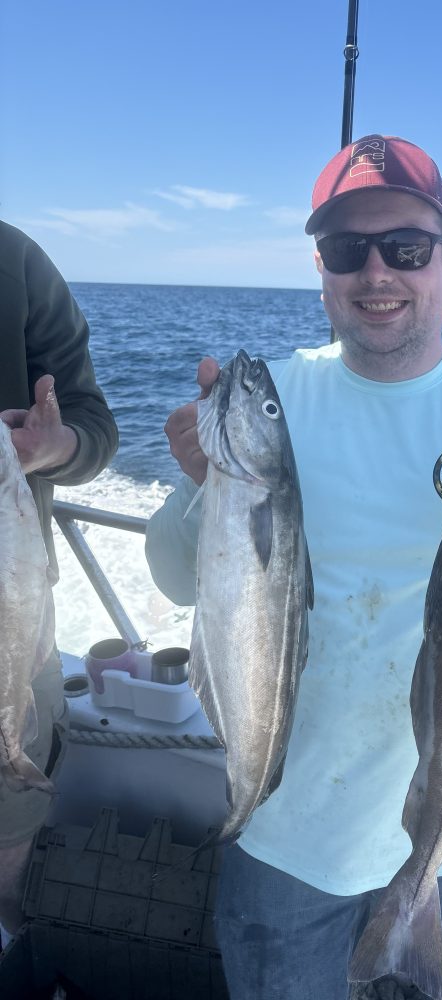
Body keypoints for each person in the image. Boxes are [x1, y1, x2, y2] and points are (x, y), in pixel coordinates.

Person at [145, 135, 442, 1000]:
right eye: (345, 249)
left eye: (406, 248)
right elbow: (182, 583)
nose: (376, 274)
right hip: (288, 833)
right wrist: (200, 489)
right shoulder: (271, 403)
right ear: (320, 268)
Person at [0, 221, 119, 936]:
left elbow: (94, 427)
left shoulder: (14, 260)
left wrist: (55, 445)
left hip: (16, 622)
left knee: (12, 826)